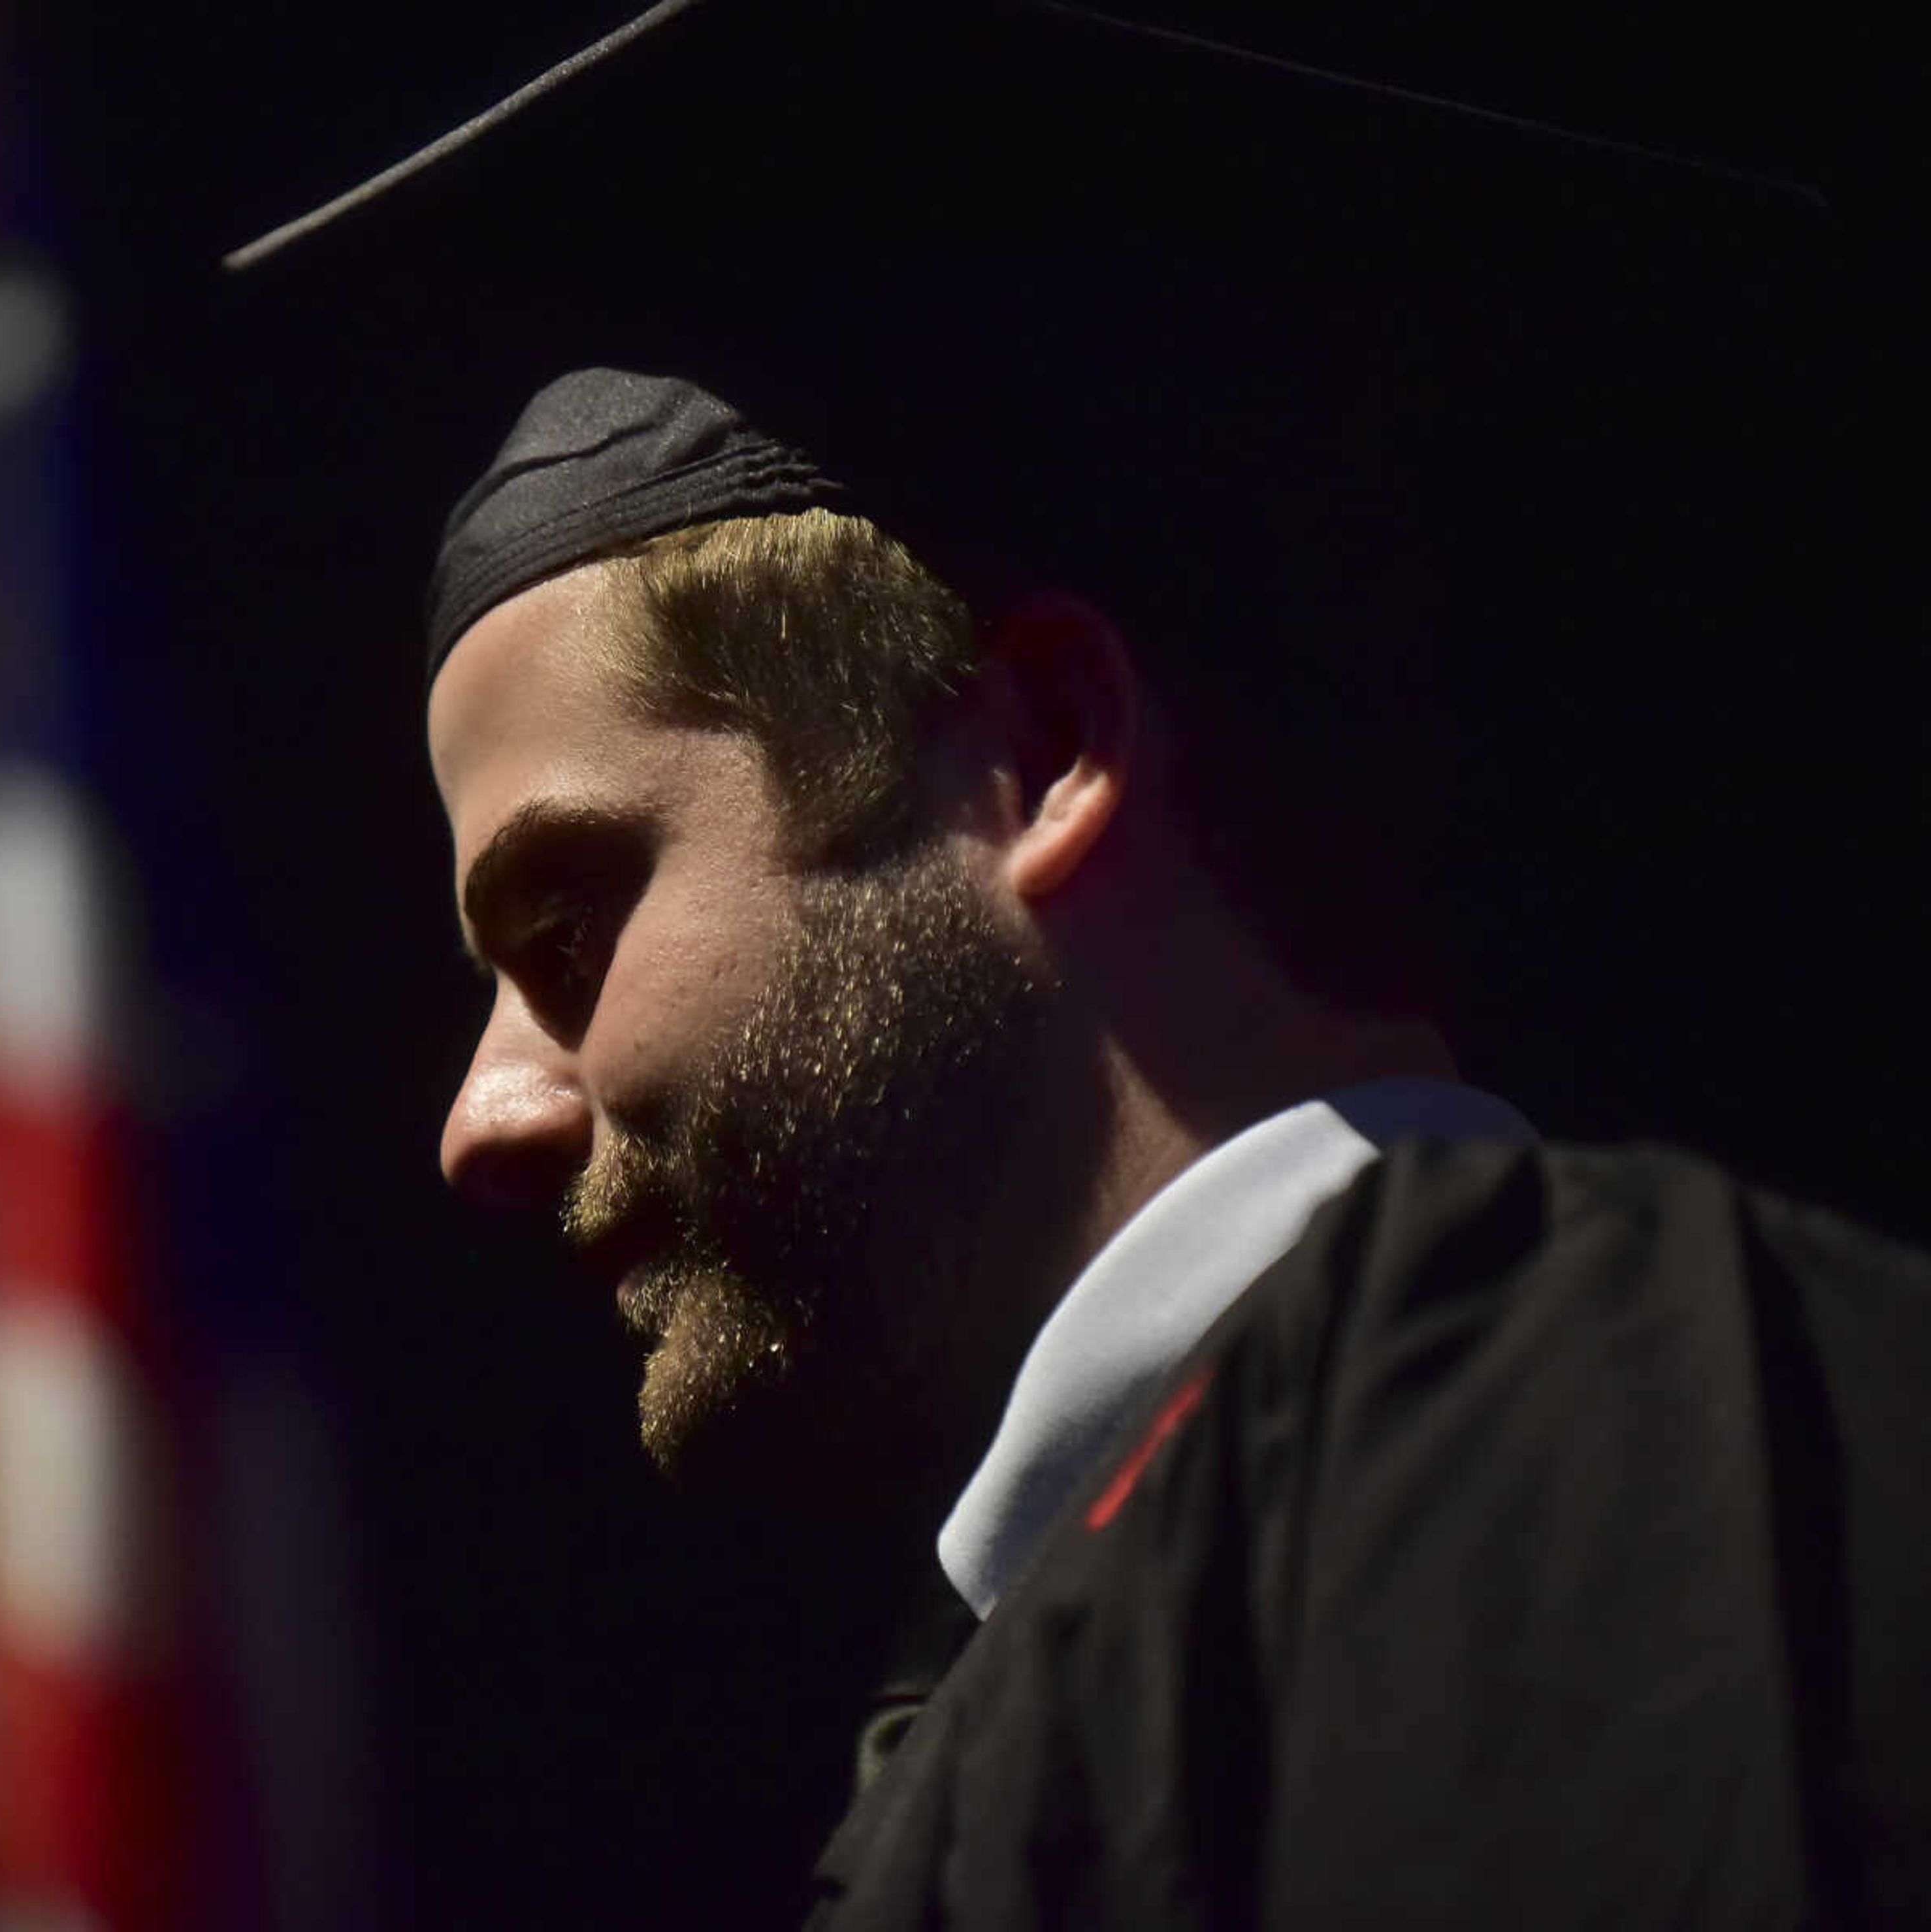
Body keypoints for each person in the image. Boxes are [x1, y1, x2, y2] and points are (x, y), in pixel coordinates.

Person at [229, 1, 1928, 1921]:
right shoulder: (1040, 1702)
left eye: (567, 926)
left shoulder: (1591, 1465)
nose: (483, 1118)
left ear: (1035, 756)